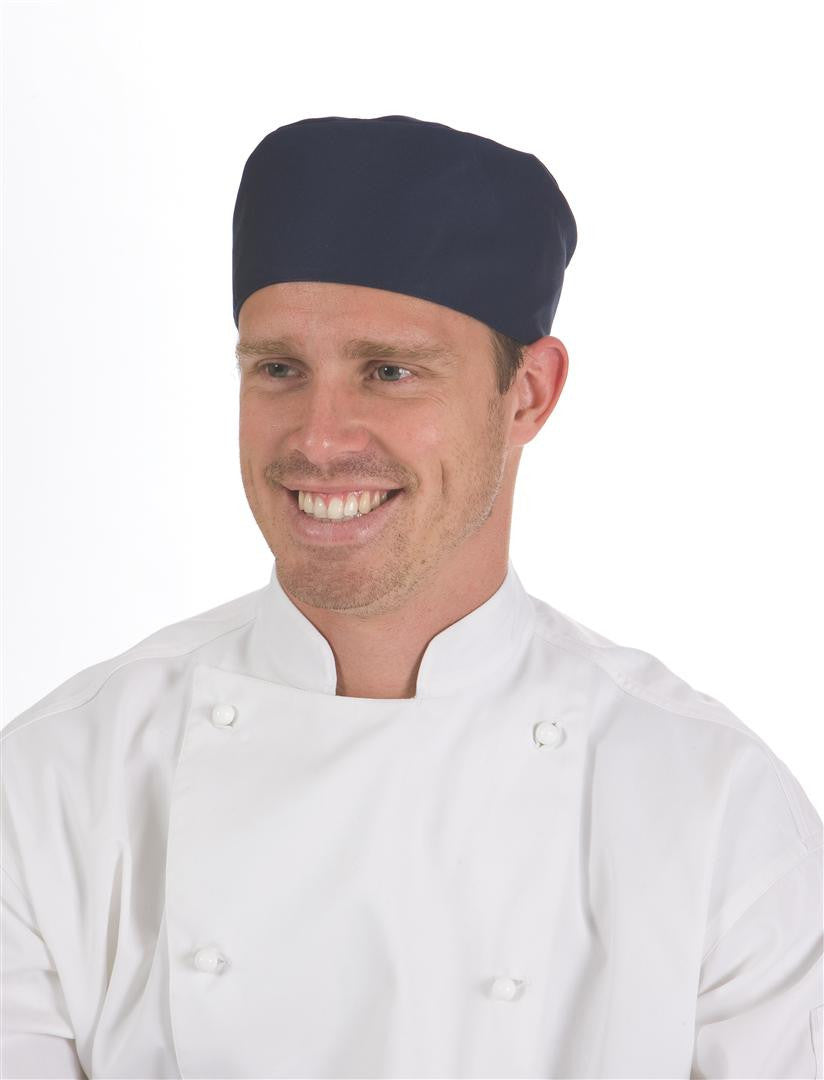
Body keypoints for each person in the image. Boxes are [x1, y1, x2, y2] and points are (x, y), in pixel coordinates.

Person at [1, 115, 821, 1079]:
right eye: (279, 369)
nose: (319, 437)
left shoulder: (715, 810)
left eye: (390, 372)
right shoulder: (56, 788)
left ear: (528, 395)